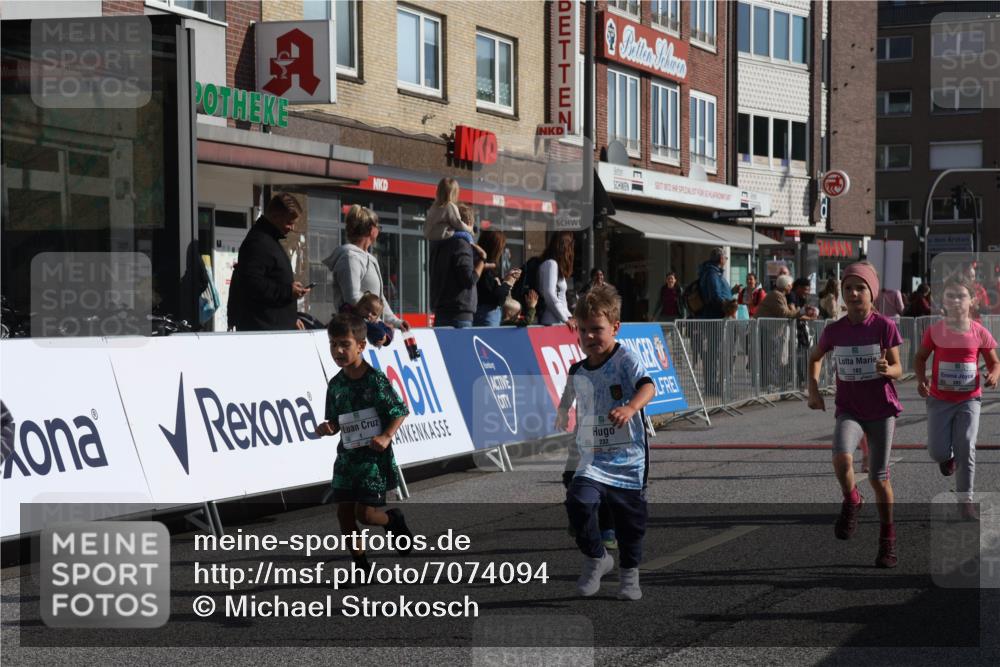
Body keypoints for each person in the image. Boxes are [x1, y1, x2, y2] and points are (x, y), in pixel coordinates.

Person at [556, 284, 655, 600]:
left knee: (630, 524)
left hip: (628, 458)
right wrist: (561, 413)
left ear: (615, 327)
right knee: (578, 502)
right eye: (583, 330)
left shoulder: (625, 358)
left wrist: (630, 407)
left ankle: (629, 576)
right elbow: (567, 395)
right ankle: (597, 557)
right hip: (592, 457)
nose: (588, 337)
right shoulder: (578, 369)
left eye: (597, 330)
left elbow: (648, 387)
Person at [806, 261, 904, 568]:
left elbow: (900, 368)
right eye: (847, 288)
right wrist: (813, 390)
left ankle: (887, 539)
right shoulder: (834, 330)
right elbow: (815, 357)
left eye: (860, 287)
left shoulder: (884, 326)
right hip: (849, 408)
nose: (853, 293)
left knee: (878, 477)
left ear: (872, 293)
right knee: (841, 458)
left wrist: (890, 369)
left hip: (881, 409)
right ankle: (852, 499)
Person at [314, 313, 412, 569]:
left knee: (365, 514)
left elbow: (399, 410)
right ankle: (361, 566)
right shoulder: (335, 385)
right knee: (344, 514)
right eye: (333, 344)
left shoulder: (375, 380)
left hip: (373, 460)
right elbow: (336, 421)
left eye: (344, 344)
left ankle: (392, 521)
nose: (338, 350)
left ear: (360, 346)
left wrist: (386, 436)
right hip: (346, 460)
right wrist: (328, 427)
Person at [915, 276, 1000, 520]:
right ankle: (947, 457)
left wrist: (994, 376)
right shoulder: (935, 331)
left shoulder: (979, 332)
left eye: (961, 295)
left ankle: (966, 502)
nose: (955, 300)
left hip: (969, 399)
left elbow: (995, 363)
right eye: (950, 295)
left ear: (972, 300)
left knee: (967, 446)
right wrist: (921, 380)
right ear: (943, 300)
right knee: (938, 452)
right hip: (940, 399)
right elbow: (920, 358)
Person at [324, 205, 410, 333]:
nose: (379, 231)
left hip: (366, 330)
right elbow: (352, 298)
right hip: (353, 332)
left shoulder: (368, 258)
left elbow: (379, 299)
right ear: (371, 230)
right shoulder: (350, 258)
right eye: (378, 227)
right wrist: (378, 324)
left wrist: (395, 322)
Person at [231, 192, 310, 331]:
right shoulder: (258, 242)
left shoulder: (268, 240)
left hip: (272, 327)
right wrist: (287, 291)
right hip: (264, 331)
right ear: (275, 216)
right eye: (289, 222)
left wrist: (291, 317)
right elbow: (253, 284)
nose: (291, 228)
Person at [429, 203, 486, 328]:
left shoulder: (439, 244)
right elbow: (469, 280)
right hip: (459, 315)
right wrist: (482, 259)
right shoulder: (461, 243)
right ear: (468, 222)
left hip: (441, 310)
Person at [474, 230, 521, 326]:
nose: (502, 251)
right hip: (486, 316)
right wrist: (508, 283)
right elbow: (497, 298)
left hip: (488, 315)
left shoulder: (486, 266)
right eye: (501, 247)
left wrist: (507, 279)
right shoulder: (485, 268)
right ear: (495, 248)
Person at [538, 231, 577, 328]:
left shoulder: (554, 265)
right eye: (571, 245)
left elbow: (561, 298)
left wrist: (568, 316)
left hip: (558, 320)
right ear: (565, 246)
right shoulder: (551, 264)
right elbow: (549, 294)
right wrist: (566, 318)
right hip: (552, 321)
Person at [424, 177, 474, 244]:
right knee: (467, 235)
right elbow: (458, 224)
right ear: (454, 193)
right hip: (443, 235)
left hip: (431, 236)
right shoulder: (450, 206)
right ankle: (473, 248)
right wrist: (469, 228)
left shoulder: (434, 206)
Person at [696, 248, 732, 319]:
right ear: (721, 259)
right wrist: (728, 305)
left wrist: (731, 292)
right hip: (715, 316)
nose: (726, 260)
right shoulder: (712, 274)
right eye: (726, 258)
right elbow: (715, 296)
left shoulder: (713, 272)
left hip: (714, 314)